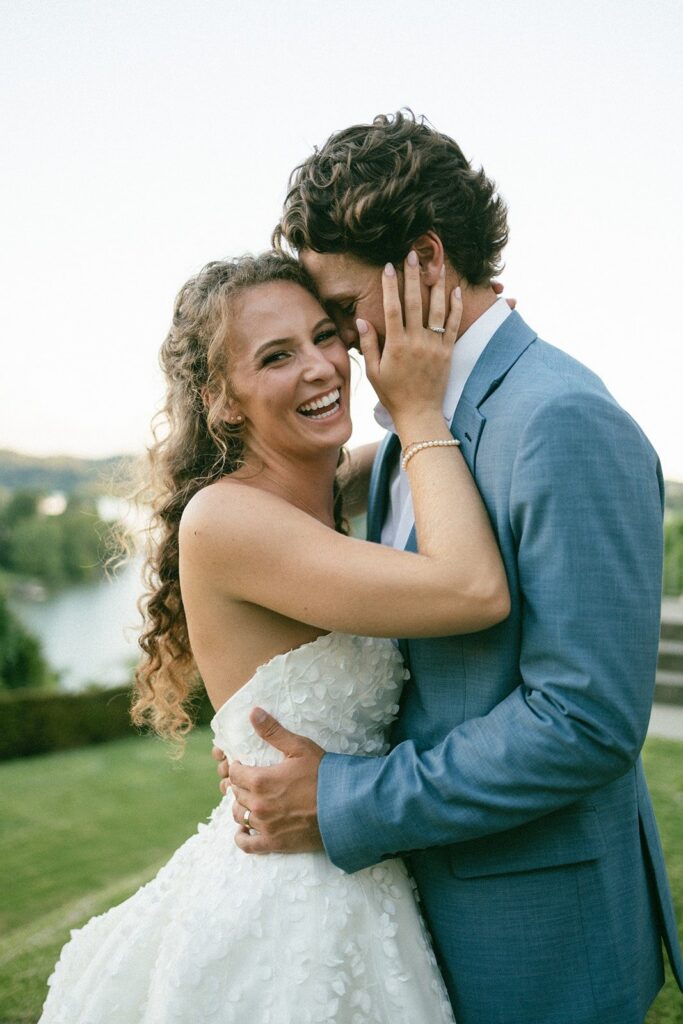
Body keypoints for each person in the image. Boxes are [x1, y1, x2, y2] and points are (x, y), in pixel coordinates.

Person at [216, 112, 683, 1023]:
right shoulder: (410, 420)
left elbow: (585, 720)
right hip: (422, 920)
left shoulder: (556, 421)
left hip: (537, 932)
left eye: (344, 308)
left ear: (425, 264)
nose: (341, 342)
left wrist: (344, 797)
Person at [39, 250, 511, 1022]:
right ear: (222, 400)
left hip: (353, 862)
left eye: (326, 335)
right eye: (276, 356)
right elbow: (471, 589)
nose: (323, 367)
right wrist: (419, 410)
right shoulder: (229, 520)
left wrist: (474, 329)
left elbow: (398, 463)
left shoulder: (316, 491)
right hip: (292, 896)